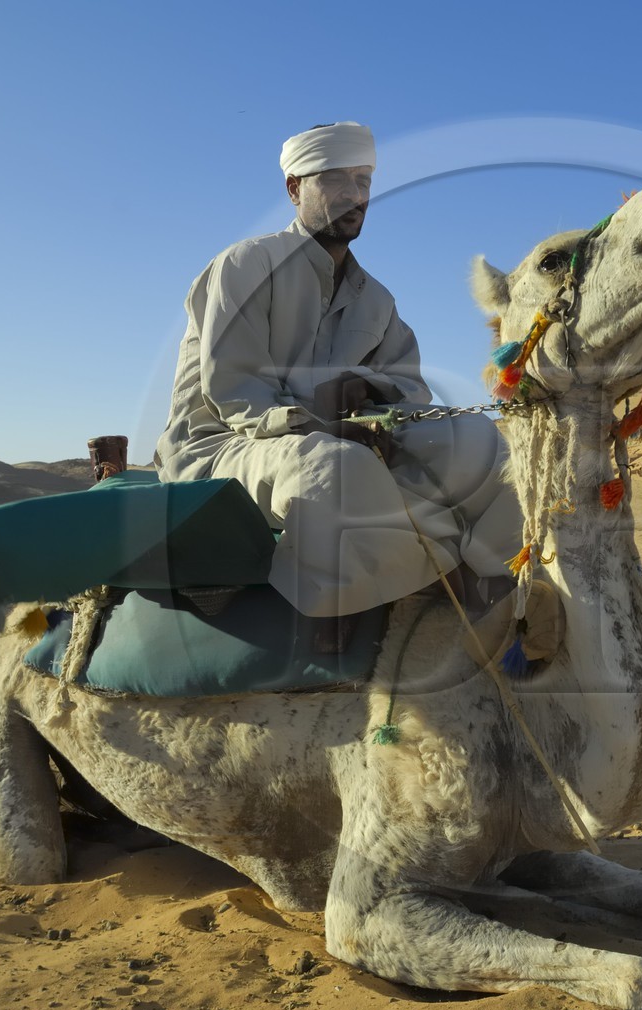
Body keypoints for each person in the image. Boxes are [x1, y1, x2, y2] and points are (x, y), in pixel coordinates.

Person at [154, 122, 520, 651]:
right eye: (335, 181)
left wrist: (374, 398)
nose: (355, 196)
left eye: (364, 181)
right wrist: (324, 418)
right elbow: (233, 390)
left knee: (486, 443)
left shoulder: (377, 299)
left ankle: (493, 578)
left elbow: (409, 388)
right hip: (224, 445)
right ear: (294, 188)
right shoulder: (245, 266)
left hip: (349, 441)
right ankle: (350, 603)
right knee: (335, 468)